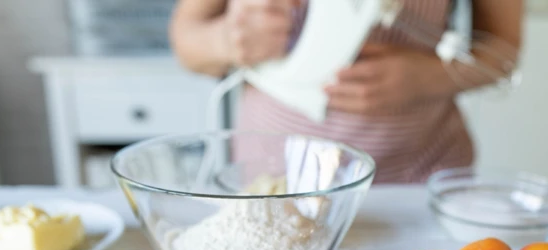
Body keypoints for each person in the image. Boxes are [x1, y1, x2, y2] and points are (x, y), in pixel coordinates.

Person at [170, 0, 523, 183]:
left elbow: (503, 52)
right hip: (277, 174)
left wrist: (428, 77)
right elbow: (185, 40)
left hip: (418, 171)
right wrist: (226, 41)